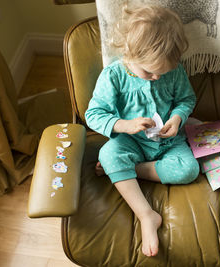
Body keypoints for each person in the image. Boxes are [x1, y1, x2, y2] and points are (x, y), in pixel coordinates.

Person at [85, 5, 199, 257]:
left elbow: (186, 99)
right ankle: (147, 215)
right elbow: (93, 115)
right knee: (110, 153)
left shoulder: (174, 72)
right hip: (130, 141)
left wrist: (178, 118)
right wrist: (125, 125)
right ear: (129, 53)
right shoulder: (113, 75)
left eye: (163, 72)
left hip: (168, 141)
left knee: (189, 169)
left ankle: (124, 172)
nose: (157, 77)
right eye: (149, 72)